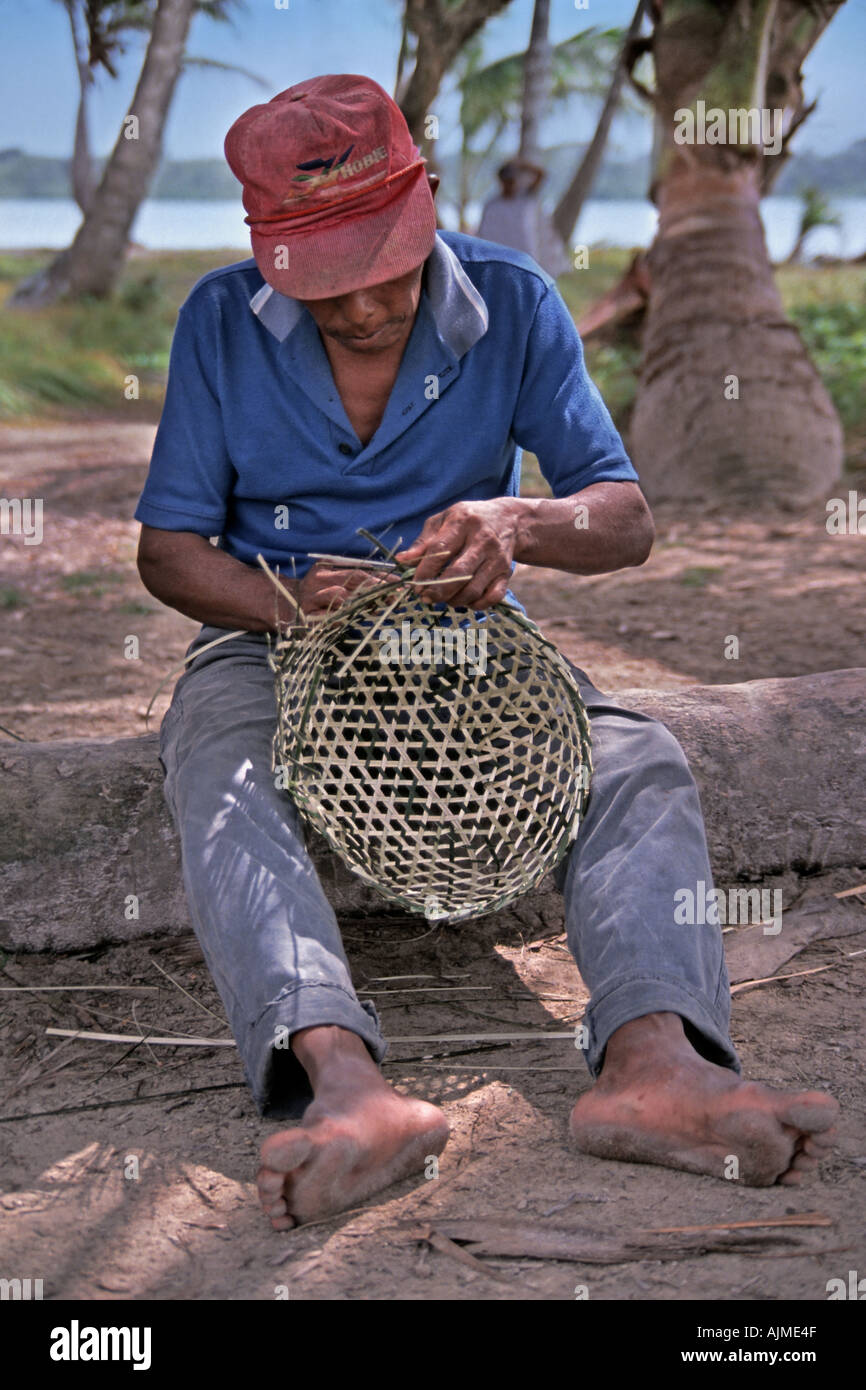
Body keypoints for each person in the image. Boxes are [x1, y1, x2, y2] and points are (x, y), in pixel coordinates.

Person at [134, 74, 838, 1231]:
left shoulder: (514, 302)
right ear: (267, 254)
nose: (364, 309)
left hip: (466, 642)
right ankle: (347, 1087)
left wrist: (517, 524)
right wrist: (286, 605)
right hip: (275, 643)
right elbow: (168, 552)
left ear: (428, 201)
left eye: (388, 269)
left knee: (633, 759)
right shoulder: (219, 321)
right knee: (219, 767)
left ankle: (652, 1066)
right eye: (328, 285)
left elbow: (624, 518)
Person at [477, 155, 572, 277]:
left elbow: (541, 175)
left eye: (511, 179)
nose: (509, 183)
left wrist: (521, 164)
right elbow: (484, 236)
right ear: (501, 180)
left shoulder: (525, 199)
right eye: (506, 179)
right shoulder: (492, 205)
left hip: (528, 262)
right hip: (500, 264)